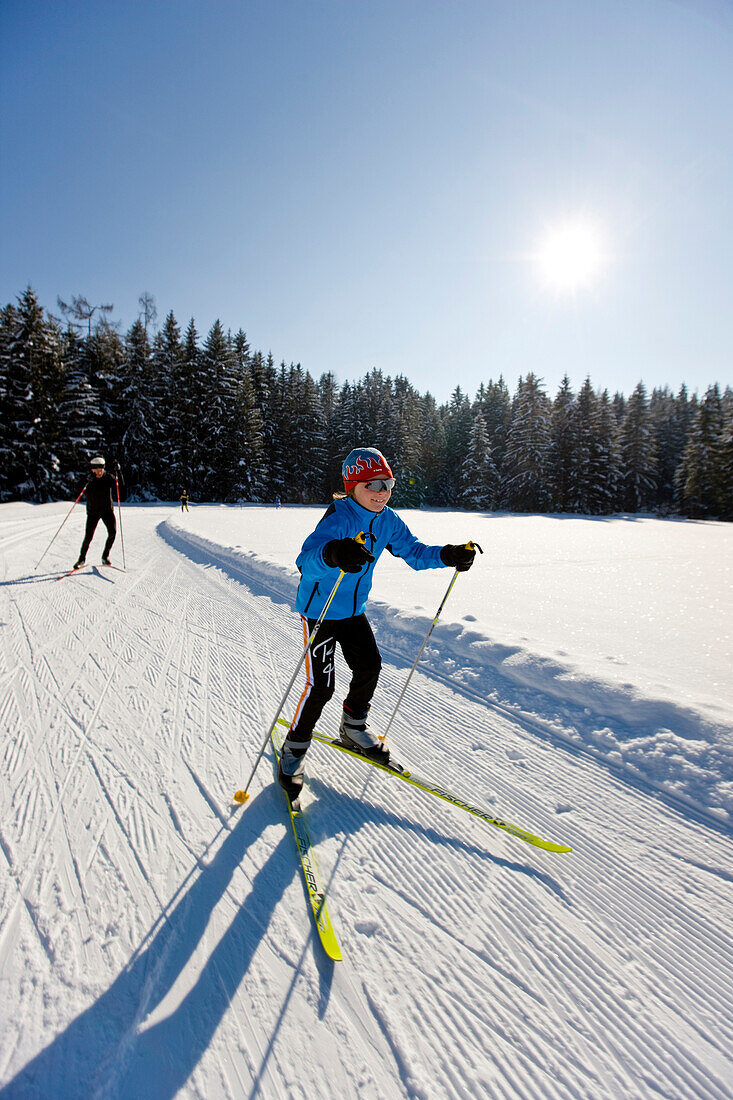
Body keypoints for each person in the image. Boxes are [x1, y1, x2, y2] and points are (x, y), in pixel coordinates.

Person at [278, 446, 476, 799]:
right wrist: (334, 553)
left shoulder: (388, 520)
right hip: (321, 612)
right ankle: (294, 748)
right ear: (353, 485)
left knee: (370, 667)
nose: (382, 492)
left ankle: (353, 727)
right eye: (373, 484)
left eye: (388, 484)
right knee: (321, 687)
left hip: (353, 611)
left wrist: (447, 554)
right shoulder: (338, 517)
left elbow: (413, 551)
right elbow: (305, 562)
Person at [74, 456, 121, 569]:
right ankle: (81, 559)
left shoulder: (108, 477)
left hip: (107, 511)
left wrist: (118, 472)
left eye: (101, 469)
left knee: (112, 533)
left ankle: (105, 556)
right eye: (97, 470)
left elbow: (121, 487)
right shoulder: (89, 479)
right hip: (93, 512)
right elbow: (77, 489)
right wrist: (86, 480)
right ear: (92, 469)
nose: (99, 472)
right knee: (88, 537)